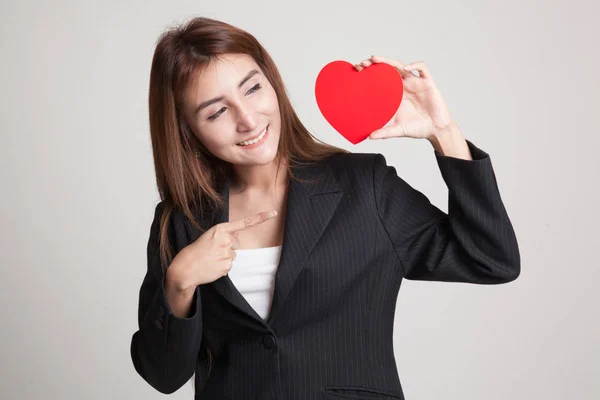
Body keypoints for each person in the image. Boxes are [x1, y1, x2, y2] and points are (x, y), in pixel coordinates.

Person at [129, 16, 520, 400]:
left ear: (272, 83)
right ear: (187, 129)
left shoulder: (364, 187)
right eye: (217, 112)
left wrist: (443, 132)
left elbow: (490, 259)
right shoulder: (179, 222)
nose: (247, 120)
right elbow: (163, 376)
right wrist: (179, 283)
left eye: (252, 90)